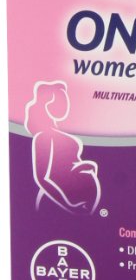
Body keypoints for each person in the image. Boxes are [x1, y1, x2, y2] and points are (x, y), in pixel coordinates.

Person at [25, 81, 101, 215]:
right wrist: (68, 205)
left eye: (65, 99)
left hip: (78, 201)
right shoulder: (44, 136)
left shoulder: (57, 133)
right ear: (48, 105)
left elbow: (68, 164)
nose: (66, 105)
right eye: (61, 101)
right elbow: (43, 178)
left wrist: (85, 168)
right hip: (60, 202)